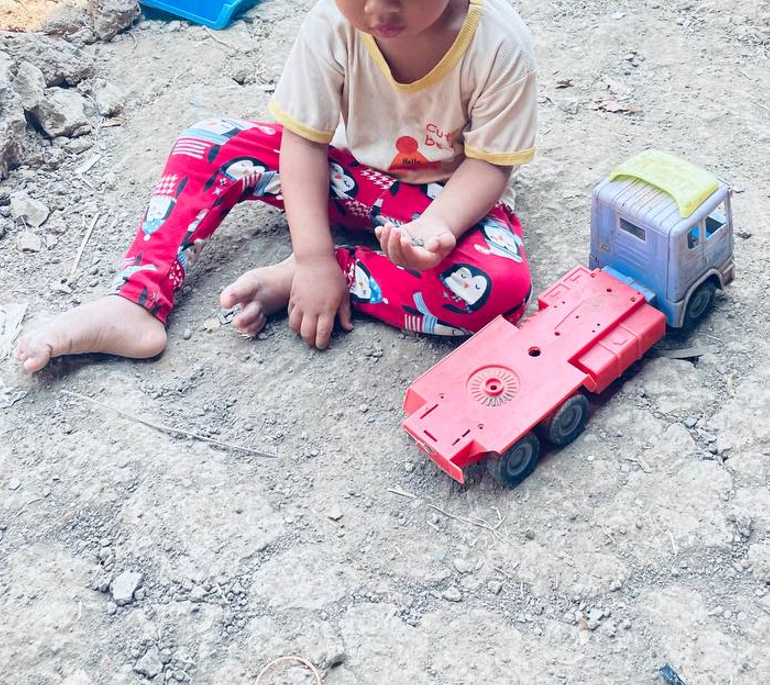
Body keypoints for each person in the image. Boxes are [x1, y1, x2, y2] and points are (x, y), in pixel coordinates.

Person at [14, 0, 537, 372]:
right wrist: (313, 256)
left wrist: (437, 225)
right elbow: (304, 143)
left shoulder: (498, 44)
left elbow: (491, 165)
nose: (379, 9)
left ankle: (338, 274)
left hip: (449, 202)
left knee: (500, 289)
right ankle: (137, 296)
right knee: (206, 142)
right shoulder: (331, 24)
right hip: (353, 179)